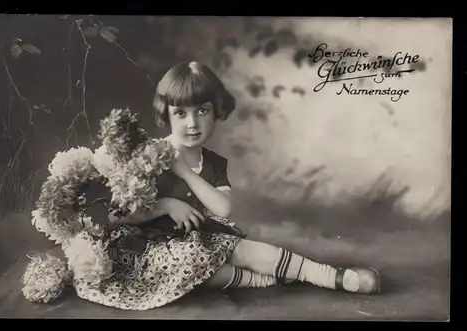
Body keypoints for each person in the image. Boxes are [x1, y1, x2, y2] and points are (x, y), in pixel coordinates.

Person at [96, 61, 380, 311]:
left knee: (245, 250)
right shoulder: (151, 155)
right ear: (166, 115)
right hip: (150, 250)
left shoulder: (214, 163)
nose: (193, 123)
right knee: (205, 271)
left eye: (202, 111)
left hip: (200, 242)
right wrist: (168, 205)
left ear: (216, 112)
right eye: (181, 113)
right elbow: (116, 216)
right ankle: (267, 278)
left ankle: (331, 277)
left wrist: (186, 173)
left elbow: (223, 207)